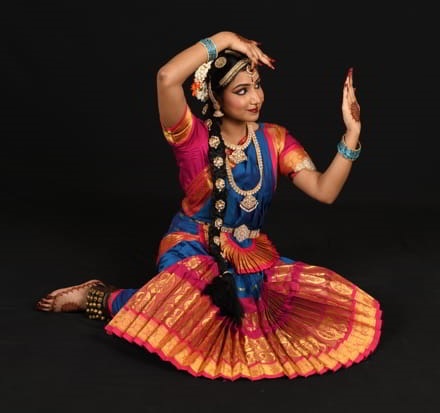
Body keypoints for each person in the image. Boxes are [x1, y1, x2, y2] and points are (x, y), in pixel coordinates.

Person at [36, 31, 382, 381]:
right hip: (191, 246)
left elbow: (325, 190)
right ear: (216, 98)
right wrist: (227, 38)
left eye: (257, 86)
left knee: (266, 315)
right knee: (193, 304)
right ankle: (101, 297)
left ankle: (154, 300)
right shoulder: (192, 139)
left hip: (246, 256)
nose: (255, 98)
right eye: (241, 91)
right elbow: (166, 77)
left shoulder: (275, 140)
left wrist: (352, 134)